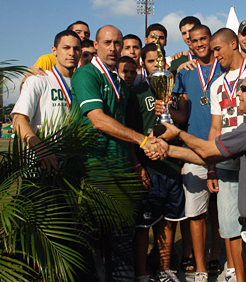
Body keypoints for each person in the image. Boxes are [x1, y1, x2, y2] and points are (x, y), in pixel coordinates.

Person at [151, 68, 246, 282]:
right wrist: (166, 149)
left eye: (244, 88)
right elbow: (208, 158)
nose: (238, 93)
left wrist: (179, 133)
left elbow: (206, 150)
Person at [156, 24, 226, 282]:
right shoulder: (184, 73)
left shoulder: (224, 66)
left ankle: (217, 257)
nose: (199, 44)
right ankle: (199, 268)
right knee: (196, 214)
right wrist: (163, 109)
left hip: (224, 148)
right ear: (189, 44)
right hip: (194, 149)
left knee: (222, 212)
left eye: (203, 39)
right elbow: (182, 115)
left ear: (211, 39)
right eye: (194, 40)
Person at [209, 27, 246, 282]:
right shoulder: (217, 84)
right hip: (226, 163)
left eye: (217, 49)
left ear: (233, 44)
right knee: (230, 224)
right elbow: (215, 128)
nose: (214, 55)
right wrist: (211, 165)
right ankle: (237, 274)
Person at [127, 43, 185, 282]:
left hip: (171, 165)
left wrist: (170, 108)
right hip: (149, 168)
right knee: (143, 226)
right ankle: (141, 273)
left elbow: (182, 121)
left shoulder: (173, 91)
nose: (156, 66)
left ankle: (164, 270)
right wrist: (137, 166)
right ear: (144, 65)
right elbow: (129, 134)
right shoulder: (137, 94)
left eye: (159, 62)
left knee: (169, 223)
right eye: (151, 62)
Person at [71, 25, 162, 166]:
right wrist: (143, 140)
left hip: (122, 162)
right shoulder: (86, 74)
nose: (112, 48)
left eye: (117, 43)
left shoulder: (121, 83)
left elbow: (126, 123)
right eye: (107, 42)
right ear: (96, 45)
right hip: (94, 163)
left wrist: (135, 163)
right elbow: (98, 120)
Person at [12, 30, 81, 175]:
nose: (72, 53)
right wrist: (39, 148)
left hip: (72, 171)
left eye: (76, 49)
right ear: (54, 51)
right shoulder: (38, 80)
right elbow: (18, 119)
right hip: (40, 169)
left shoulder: (82, 84)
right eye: (66, 48)